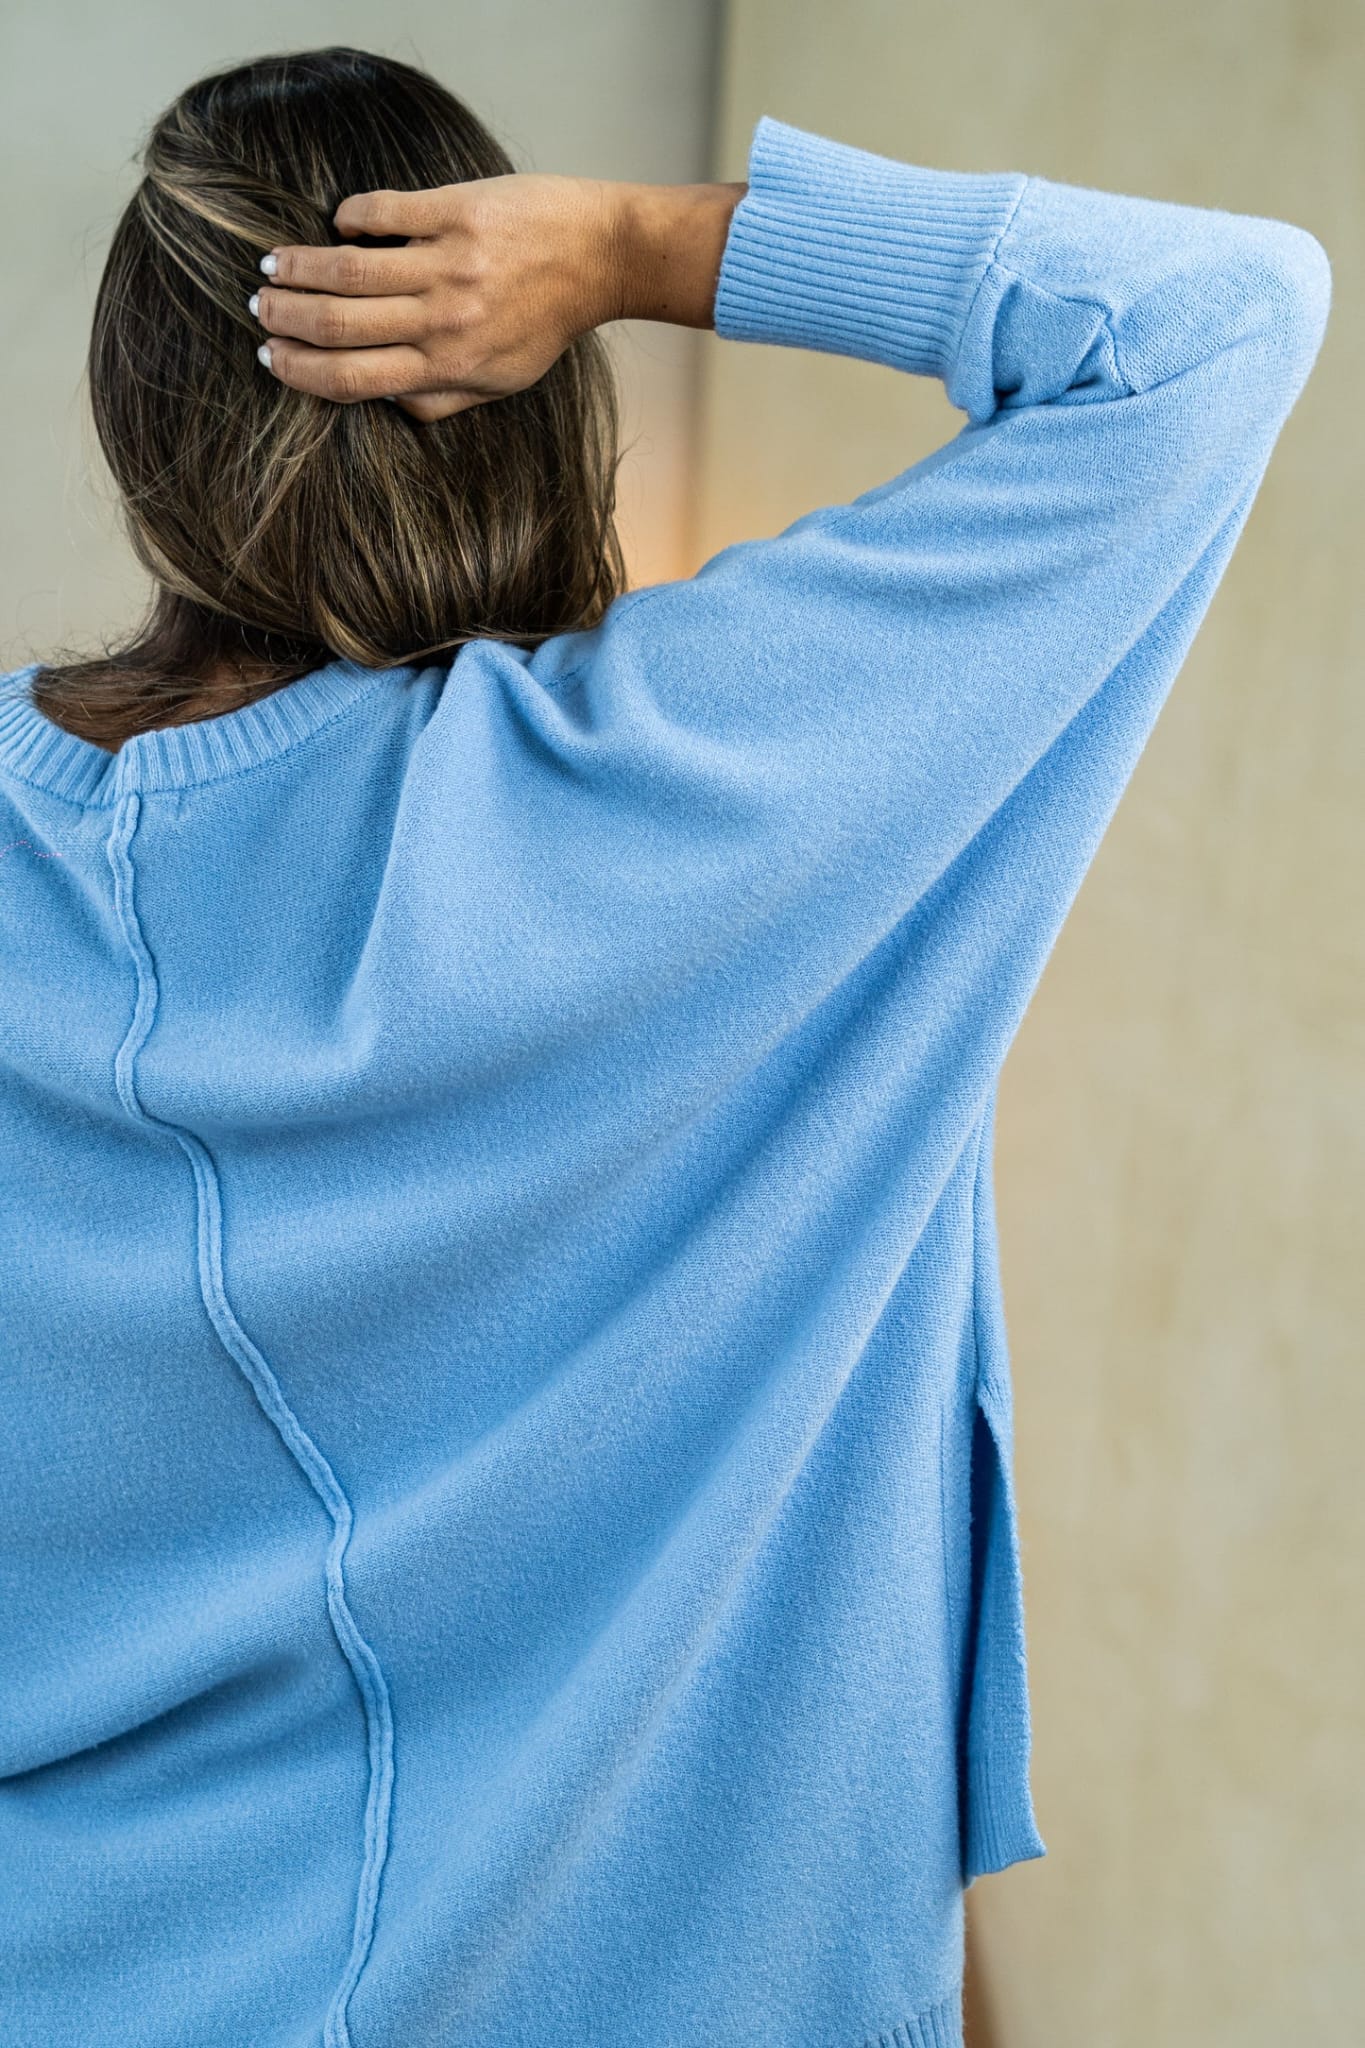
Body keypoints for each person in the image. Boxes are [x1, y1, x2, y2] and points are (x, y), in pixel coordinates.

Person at [0, 42, 1330, 2048]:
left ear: (138, 428)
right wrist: (643, 247)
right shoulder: (683, 784)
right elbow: (1210, 319)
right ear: (530, 391)